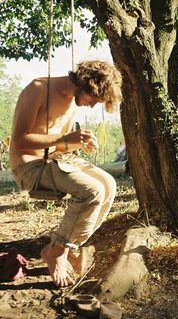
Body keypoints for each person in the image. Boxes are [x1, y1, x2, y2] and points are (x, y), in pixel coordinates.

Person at [9, 60, 123, 287]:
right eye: (95, 100)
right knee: (92, 191)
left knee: (109, 186)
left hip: (53, 160)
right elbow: (20, 141)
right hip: (29, 166)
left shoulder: (73, 102)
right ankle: (56, 251)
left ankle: (69, 247)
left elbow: (59, 146)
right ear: (87, 84)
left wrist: (77, 143)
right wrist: (65, 140)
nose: (92, 106)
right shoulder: (38, 89)